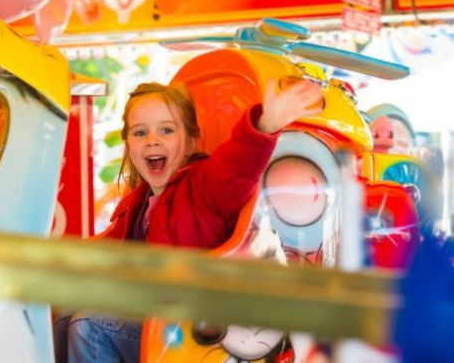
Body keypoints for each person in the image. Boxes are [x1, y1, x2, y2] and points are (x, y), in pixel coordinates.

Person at [59, 78, 324, 362]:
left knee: (92, 327)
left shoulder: (203, 189)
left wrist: (264, 125)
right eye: (139, 132)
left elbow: (235, 166)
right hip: (154, 321)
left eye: (167, 130)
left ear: (190, 142)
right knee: (63, 311)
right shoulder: (135, 206)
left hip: (188, 333)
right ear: (128, 145)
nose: (152, 140)